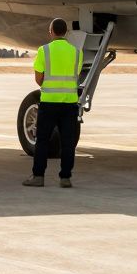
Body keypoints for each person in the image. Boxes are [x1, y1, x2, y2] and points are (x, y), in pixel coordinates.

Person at [24, 18, 82, 188]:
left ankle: (38, 176)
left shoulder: (44, 50)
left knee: (42, 140)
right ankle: (65, 178)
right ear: (65, 33)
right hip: (70, 103)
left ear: (51, 32)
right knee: (68, 142)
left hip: (49, 103)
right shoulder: (77, 52)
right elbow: (76, 75)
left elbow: (38, 79)